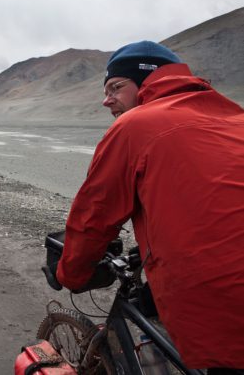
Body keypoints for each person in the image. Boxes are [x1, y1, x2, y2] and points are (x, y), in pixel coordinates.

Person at [54, 40, 244, 372]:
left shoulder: (134, 126)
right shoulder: (234, 116)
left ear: (147, 82)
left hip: (225, 301)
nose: (105, 100)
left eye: (116, 87)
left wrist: (71, 274)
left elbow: (93, 217)